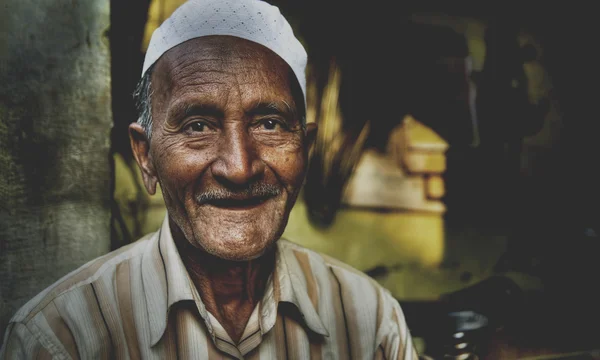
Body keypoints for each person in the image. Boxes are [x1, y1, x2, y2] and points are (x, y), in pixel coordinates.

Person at [0, 0, 418, 358]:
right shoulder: (58, 339)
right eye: (197, 126)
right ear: (146, 157)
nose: (239, 167)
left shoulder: (371, 322)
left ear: (304, 151)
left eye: (269, 124)